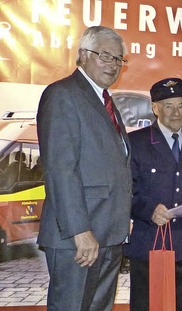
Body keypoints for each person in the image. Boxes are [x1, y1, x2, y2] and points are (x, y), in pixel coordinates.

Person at [36, 26, 131, 310]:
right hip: (79, 239)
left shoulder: (105, 101)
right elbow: (60, 169)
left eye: (118, 59)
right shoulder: (62, 94)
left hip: (108, 235)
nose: (113, 64)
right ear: (83, 55)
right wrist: (80, 231)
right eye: (105, 56)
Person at [124, 78, 182, 311]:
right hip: (147, 241)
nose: (176, 112)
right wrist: (148, 209)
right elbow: (124, 190)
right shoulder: (136, 142)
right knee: (145, 304)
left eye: (181, 105)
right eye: (169, 106)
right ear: (155, 108)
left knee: (178, 304)